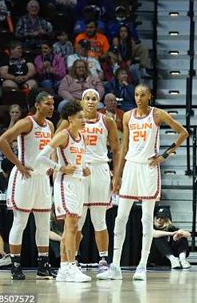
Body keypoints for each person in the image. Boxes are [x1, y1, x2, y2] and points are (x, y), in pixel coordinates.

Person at [97, 84, 188, 281]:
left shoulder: (157, 114)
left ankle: (142, 265)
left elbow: (183, 133)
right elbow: (124, 146)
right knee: (120, 217)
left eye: (143, 95)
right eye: (136, 94)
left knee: (146, 219)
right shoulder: (128, 116)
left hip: (148, 168)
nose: (139, 98)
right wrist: (117, 175)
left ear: (150, 96)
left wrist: (164, 155)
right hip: (130, 166)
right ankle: (115, 265)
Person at [56, 89, 121, 273]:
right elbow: (55, 142)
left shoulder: (107, 121)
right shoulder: (71, 119)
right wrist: (58, 167)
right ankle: (71, 261)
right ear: (82, 101)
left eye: (94, 99)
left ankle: (103, 260)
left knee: (99, 219)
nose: (91, 101)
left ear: (99, 102)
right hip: (79, 170)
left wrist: (116, 175)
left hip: (100, 168)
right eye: (87, 98)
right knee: (78, 219)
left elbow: (116, 149)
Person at [0, 91, 56, 280]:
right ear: (38, 105)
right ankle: (15, 265)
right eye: (47, 103)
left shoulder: (51, 125)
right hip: (25, 178)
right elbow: (1, 141)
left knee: (44, 224)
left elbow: (52, 149)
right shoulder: (26, 122)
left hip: (42, 179)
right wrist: (18, 164)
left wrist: (52, 165)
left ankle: (43, 265)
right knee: (20, 222)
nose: (51, 107)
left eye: (53, 104)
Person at [36, 100, 91, 282]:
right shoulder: (63, 135)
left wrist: (85, 167)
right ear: (70, 118)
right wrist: (59, 167)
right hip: (65, 184)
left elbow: (79, 159)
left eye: (84, 117)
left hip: (79, 183)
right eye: (80, 117)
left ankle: (63, 269)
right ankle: (70, 267)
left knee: (75, 230)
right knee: (72, 226)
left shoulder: (81, 137)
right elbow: (41, 157)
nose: (83, 120)